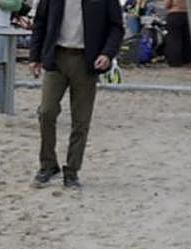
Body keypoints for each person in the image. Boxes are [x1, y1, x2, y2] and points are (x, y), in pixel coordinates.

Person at [28, 0, 123, 188]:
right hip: (56, 58)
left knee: (81, 120)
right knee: (46, 111)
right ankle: (48, 164)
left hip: (86, 61)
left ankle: (72, 171)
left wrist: (107, 53)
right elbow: (40, 22)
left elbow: (116, 27)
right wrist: (34, 57)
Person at [163, 0, 191, 67]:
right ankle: (187, 60)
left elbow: (167, 4)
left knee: (174, 40)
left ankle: (175, 61)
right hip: (188, 14)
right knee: (187, 39)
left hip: (175, 13)